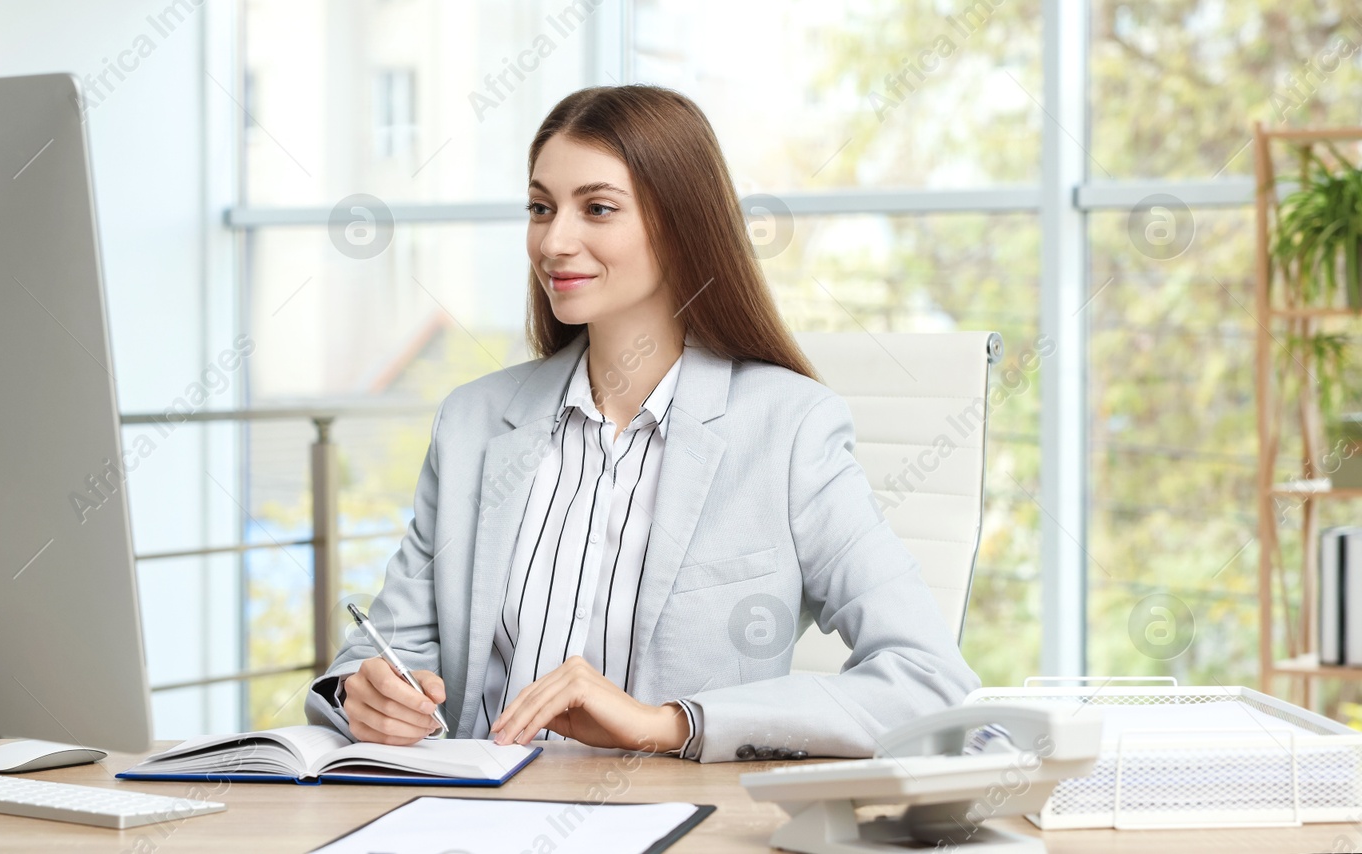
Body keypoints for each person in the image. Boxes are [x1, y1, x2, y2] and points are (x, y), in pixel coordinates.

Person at [305, 84, 980, 762]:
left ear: (680, 224)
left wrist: (668, 724)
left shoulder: (789, 431)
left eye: (597, 208)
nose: (555, 241)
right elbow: (381, 648)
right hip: (474, 816)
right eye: (541, 208)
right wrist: (363, 696)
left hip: (668, 819)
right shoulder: (473, 425)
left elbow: (930, 680)